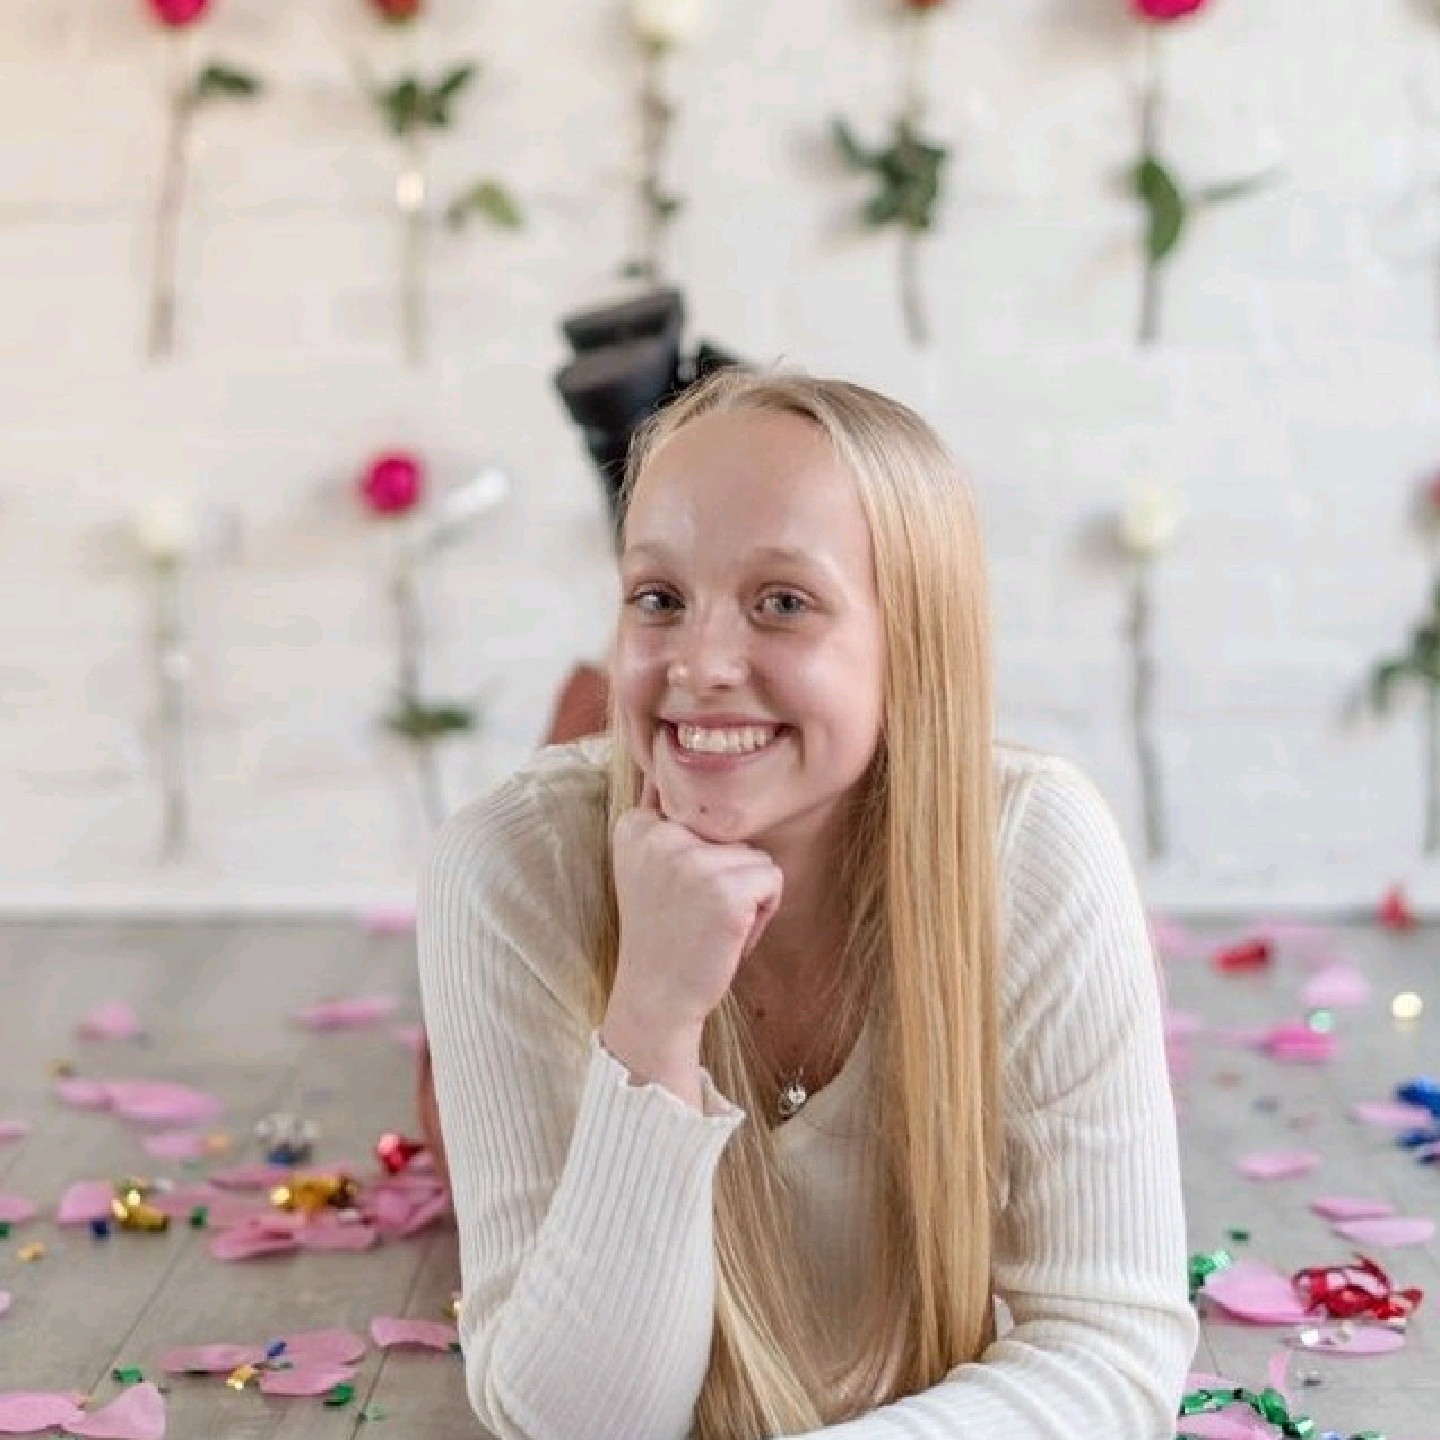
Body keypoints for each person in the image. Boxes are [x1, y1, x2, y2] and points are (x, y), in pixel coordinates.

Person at [417, 368, 1196, 1440]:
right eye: (659, 599)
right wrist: (652, 1017)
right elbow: (580, 1425)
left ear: (910, 639)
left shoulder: (1034, 847)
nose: (699, 665)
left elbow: (1111, 1354)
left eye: (782, 602)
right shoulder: (504, 865)